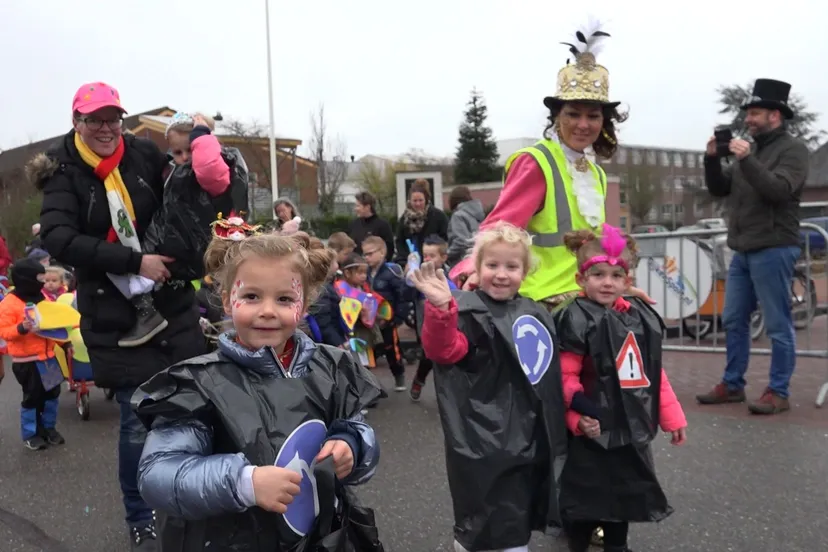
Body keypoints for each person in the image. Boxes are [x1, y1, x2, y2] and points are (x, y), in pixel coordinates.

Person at [31, 81, 206, 550]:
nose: (107, 128)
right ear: (77, 123)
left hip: (170, 304)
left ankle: (193, 499)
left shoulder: (142, 153)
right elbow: (59, 239)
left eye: (113, 119)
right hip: (116, 320)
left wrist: (202, 155)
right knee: (136, 423)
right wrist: (132, 262)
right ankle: (140, 516)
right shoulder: (62, 171)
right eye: (95, 120)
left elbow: (181, 193)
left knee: (192, 411)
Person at [133, 226, 382, 550]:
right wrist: (243, 483)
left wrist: (352, 445)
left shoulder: (330, 369)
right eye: (251, 296)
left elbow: (358, 428)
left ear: (304, 306)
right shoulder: (201, 385)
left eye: (284, 299)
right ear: (226, 300)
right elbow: (157, 474)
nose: (267, 310)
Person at [412, 222, 567, 552]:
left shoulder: (534, 311)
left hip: (527, 435)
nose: (501, 274)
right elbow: (444, 350)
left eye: (511, 266)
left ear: (525, 271)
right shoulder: (468, 310)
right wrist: (441, 310)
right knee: (486, 513)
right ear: (477, 267)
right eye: (492, 265)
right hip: (482, 437)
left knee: (516, 511)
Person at [555, 225, 687, 552]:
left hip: (630, 430)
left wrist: (672, 418)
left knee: (623, 498)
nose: (607, 282)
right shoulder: (574, 318)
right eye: (598, 274)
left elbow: (652, 375)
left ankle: (618, 546)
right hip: (591, 431)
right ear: (580, 279)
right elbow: (563, 376)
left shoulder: (637, 318)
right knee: (586, 500)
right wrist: (578, 417)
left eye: (616, 275)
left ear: (627, 282)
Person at [695, 78, 810, 415]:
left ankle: (778, 392)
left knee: (777, 323)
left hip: (775, 247)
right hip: (743, 249)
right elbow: (720, 189)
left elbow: (779, 191)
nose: (748, 119)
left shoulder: (794, 150)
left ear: (775, 115)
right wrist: (712, 160)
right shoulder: (753, 150)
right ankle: (732, 385)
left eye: (755, 113)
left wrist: (747, 160)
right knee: (732, 319)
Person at [0, 258, 65, 450]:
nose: (43, 282)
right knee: (33, 397)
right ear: (25, 278)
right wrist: (21, 328)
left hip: (48, 358)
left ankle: (49, 429)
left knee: (53, 394)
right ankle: (31, 433)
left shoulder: (42, 298)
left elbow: (50, 324)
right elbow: (3, 331)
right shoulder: (9, 303)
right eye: (39, 278)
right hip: (27, 360)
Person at [409, 235, 456, 401]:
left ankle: (448, 394)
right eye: (425, 255)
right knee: (428, 357)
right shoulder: (419, 276)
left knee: (448, 359)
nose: (427, 259)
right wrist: (410, 269)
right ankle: (420, 379)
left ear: (444, 258)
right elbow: (407, 288)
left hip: (448, 325)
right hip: (426, 327)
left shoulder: (451, 276)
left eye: (432, 255)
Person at [363, 235, 408, 391]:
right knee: (370, 351)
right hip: (370, 321)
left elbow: (402, 296)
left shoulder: (392, 272)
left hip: (387, 320)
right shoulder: (364, 273)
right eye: (365, 254)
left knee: (392, 349)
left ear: (382, 252)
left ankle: (399, 375)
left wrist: (398, 317)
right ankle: (369, 384)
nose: (366, 257)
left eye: (370, 253)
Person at [395, 180, 449, 266]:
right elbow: (400, 243)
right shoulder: (404, 220)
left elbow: (444, 240)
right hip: (410, 264)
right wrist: (405, 262)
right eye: (415, 201)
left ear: (426, 200)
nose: (418, 204)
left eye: (421, 200)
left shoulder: (439, 217)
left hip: (433, 263)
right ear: (410, 201)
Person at [348, 191, 395, 261]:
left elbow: (389, 250)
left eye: (358, 206)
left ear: (367, 207)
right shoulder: (354, 224)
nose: (355, 209)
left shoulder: (383, 225)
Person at [446, 186, 485, 267]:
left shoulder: (458, 216)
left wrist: (446, 255)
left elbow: (461, 241)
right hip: (477, 258)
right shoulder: (478, 214)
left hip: (462, 261)